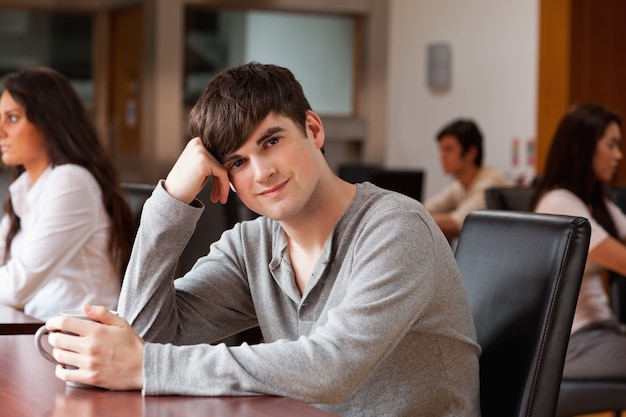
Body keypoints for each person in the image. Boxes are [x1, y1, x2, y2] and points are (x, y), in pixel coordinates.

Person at [43, 62, 481, 417]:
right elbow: (148, 334)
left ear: (313, 129)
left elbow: (332, 368)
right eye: (237, 161)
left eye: (271, 141)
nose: (262, 172)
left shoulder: (396, 227)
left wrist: (145, 365)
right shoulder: (250, 247)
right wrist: (171, 199)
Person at [0, 67, 134, 320]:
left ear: (48, 120)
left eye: (13, 118)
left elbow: (16, 286)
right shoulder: (26, 187)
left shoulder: (71, 182)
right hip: (41, 333)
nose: (1, 130)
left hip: (82, 343)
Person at [531, 102, 626, 381]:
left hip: (601, 331)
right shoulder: (559, 203)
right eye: (611, 145)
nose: (618, 155)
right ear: (580, 147)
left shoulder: (597, 204)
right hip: (572, 342)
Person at [425, 118, 511, 240]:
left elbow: (458, 224)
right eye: (441, 149)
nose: (441, 156)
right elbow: (428, 206)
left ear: (471, 152)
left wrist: (414, 217)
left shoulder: (491, 182)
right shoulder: (459, 184)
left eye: (449, 149)